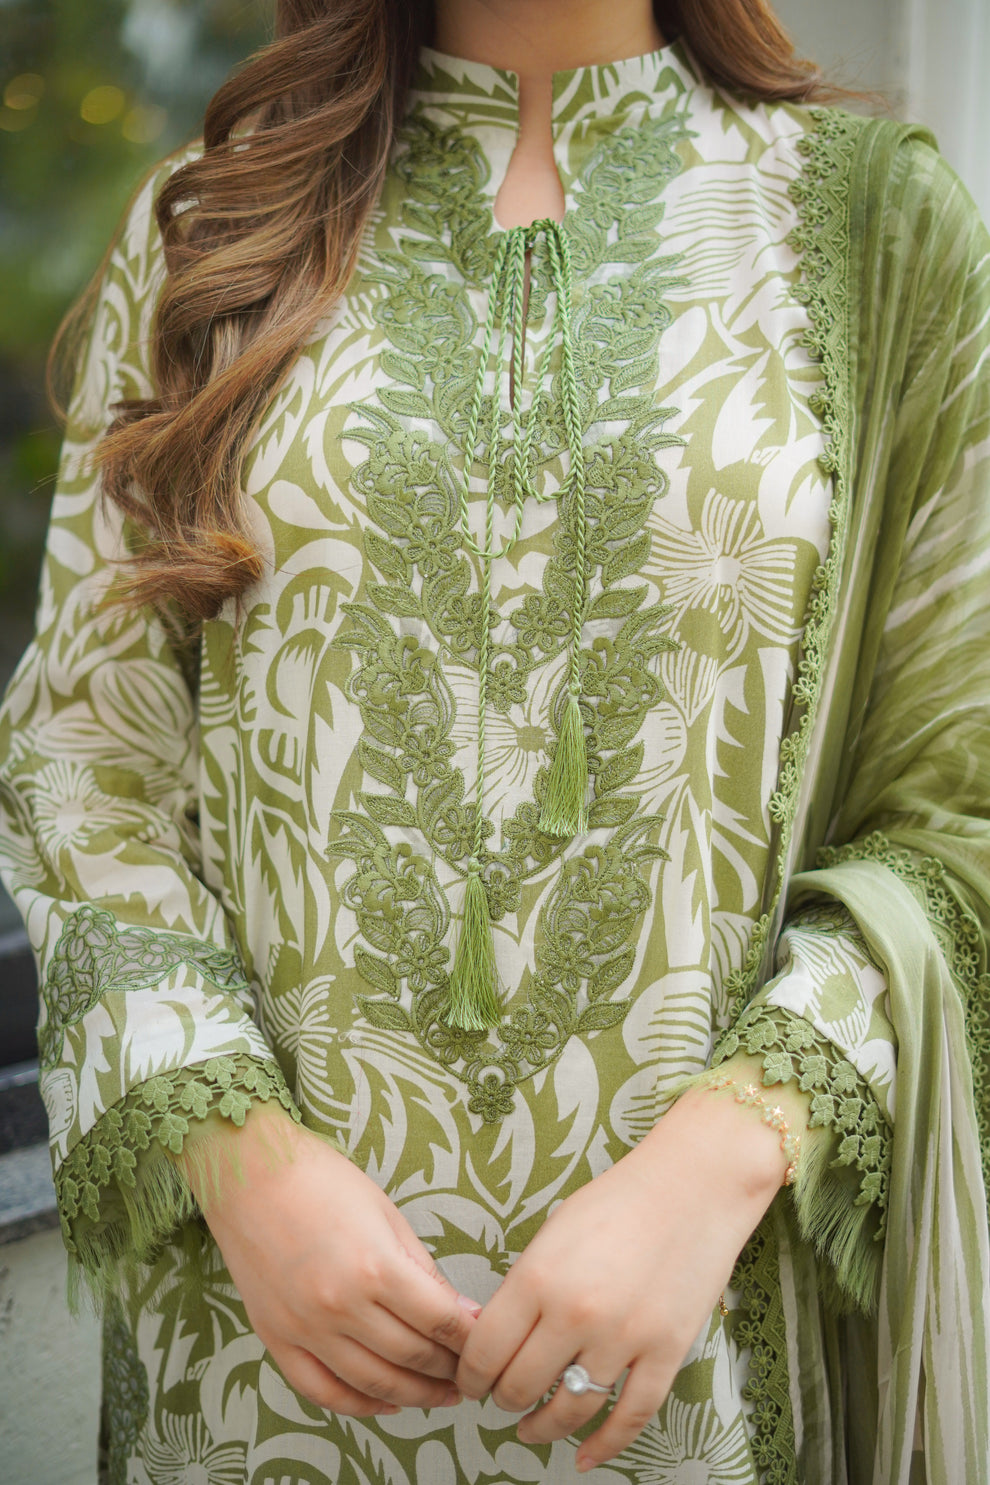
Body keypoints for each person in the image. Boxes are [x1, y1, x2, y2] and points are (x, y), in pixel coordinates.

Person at [1, 0, 988, 1480]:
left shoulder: (868, 228)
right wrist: (238, 1155)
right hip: (264, 1374)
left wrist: (718, 1159)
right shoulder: (211, 228)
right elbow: (89, 767)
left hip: (698, 1368)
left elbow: (955, 810)